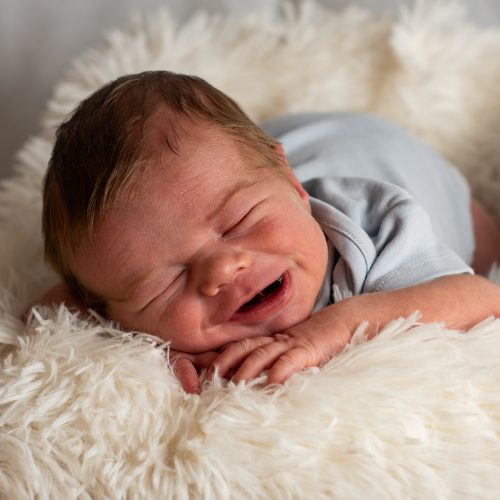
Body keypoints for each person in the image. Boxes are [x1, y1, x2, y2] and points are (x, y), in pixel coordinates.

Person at [39, 70, 500, 394]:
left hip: (387, 154)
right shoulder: (119, 280)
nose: (223, 267)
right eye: (167, 279)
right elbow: (54, 310)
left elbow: (481, 300)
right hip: (261, 160)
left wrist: (328, 331)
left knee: (484, 247)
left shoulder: (377, 228)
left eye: (238, 222)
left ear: (293, 186)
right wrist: (145, 354)